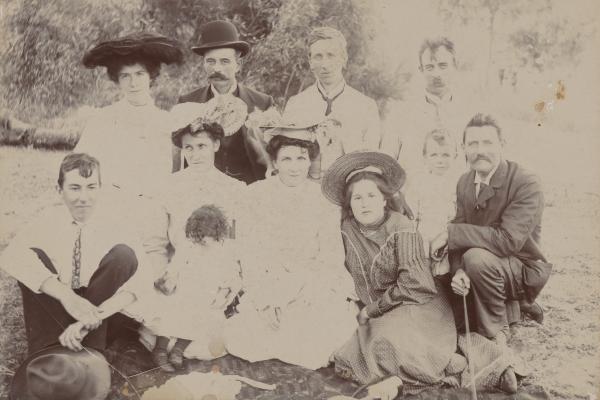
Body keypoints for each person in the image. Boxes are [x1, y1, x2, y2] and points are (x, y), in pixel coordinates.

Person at [321, 151, 518, 397]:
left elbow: (416, 284)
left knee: (387, 340)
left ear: (385, 199)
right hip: (379, 307)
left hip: (418, 300)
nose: (364, 203)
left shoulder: (400, 227)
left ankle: (472, 364)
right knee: (353, 346)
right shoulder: (347, 229)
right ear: (349, 204)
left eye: (371, 195)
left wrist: (373, 310)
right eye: (357, 198)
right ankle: (451, 359)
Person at [225, 123, 357, 370]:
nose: (295, 167)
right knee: (247, 336)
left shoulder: (324, 200)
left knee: (320, 335)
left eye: (301, 158)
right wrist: (263, 298)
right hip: (269, 279)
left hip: (311, 281)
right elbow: (248, 251)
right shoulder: (254, 196)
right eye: (286, 159)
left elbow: (331, 255)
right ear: (274, 163)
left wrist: (308, 288)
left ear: (310, 161)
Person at [0, 153, 151, 358]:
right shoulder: (48, 218)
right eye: (74, 188)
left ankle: (88, 352)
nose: (84, 198)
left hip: (102, 310)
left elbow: (142, 280)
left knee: (124, 255)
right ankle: (50, 353)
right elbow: (12, 255)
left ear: (100, 188)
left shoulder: (117, 222)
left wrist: (88, 320)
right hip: (59, 305)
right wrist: (67, 297)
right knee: (31, 257)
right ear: (59, 190)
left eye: (91, 187)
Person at [430, 113, 550, 347]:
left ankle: (496, 331)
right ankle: (512, 308)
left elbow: (507, 241)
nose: (479, 150)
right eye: (472, 143)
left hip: (521, 267)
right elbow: (459, 239)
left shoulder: (526, 182)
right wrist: (459, 272)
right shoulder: (465, 182)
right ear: (464, 147)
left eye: (487, 143)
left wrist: (450, 233)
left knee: (476, 258)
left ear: (502, 145)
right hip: (482, 266)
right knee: (444, 276)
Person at [76, 32, 183, 198]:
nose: (133, 83)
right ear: (117, 80)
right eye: (125, 76)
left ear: (151, 76)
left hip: (156, 207)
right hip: (113, 204)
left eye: (139, 74)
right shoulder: (103, 119)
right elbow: (78, 166)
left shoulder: (167, 122)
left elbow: (176, 175)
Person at [173, 20, 274, 184]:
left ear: (238, 65)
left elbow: (275, 156)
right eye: (210, 61)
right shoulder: (187, 102)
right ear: (203, 64)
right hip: (201, 188)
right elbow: (177, 157)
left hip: (249, 190)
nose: (217, 69)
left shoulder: (262, 103)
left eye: (225, 61)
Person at [149, 205, 242, 371]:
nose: (198, 244)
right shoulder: (188, 248)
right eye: (195, 239)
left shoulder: (223, 253)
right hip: (183, 289)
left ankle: (179, 349)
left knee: (201, 316)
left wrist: (223, 293)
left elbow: (231, 278)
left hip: (206, 295)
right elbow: (175, 266)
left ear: (217, 236)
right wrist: (170, 278)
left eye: (203, 241)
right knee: (169, 311)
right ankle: (160, 348)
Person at [284, 27, 381, 178]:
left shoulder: (366, 106)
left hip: (348, 192)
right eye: (318, 56)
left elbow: (371, 162)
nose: (325, 64)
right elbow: (285, 155)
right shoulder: (296, 105)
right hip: (305, 191)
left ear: (343, 59)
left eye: (331, 55)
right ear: (310, 62)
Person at [381, 37, 474, 177]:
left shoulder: (470, 112)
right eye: (430, 67)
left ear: (455, 65)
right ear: (421, 70)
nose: (436, 74)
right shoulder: (400, 113)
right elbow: (386, 161)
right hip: (412, 194)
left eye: (443, 66)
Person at [404, 129, 460, 275]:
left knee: (445, 272)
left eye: (445, 155)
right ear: (425, 157)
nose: (440, 160)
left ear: (455, 156)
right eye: (434, 155)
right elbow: (411, 216)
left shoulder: (457, 184)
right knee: (421, 269)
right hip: (423, 235)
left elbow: (459, 215)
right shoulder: (419, 183)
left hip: (446, 236)